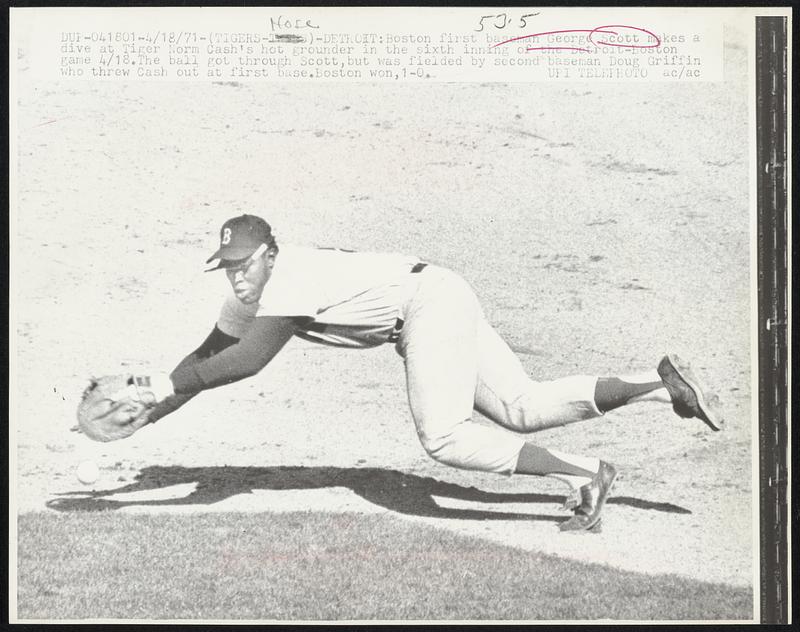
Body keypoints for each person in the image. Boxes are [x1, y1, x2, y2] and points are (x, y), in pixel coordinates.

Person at [114, 214, 723, 532]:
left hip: (429, 305)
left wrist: (162, 390)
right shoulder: (246, 296)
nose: (237, 276)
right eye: (227, 267)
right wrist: (147, 410)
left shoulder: (289, 278)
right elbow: (204, 360)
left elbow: (245, 363)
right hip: (437, 293)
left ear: (270, 253)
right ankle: (659, 381)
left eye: (244, 263)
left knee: (446, 436)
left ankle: (589, 474)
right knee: (520, 407)